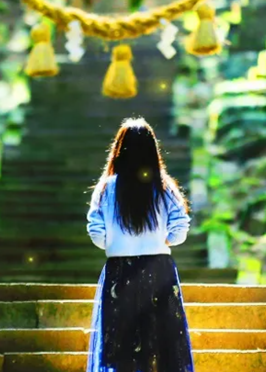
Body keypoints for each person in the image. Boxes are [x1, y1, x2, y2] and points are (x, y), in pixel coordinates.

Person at [85, 118, 194, 372]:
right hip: (159, 270)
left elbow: (95, 230)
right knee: (162, 347)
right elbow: (180, 227)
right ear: (152, 150)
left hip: (119, 272)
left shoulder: (105, 188)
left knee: (120, 349)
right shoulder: (165, 187)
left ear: (118, 149)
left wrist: (115, 244)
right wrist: (161, 240)